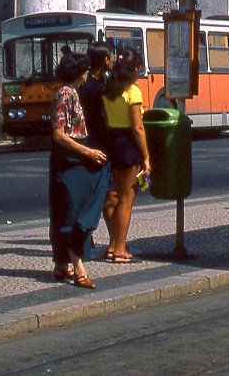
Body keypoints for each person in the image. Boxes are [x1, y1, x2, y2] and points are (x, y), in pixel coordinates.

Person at [48, 52, 109, 289]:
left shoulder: (72, 93)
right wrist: (88, 153)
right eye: (84, 70)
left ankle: (61, 264)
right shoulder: (65, 94)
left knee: (66, 211)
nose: (87, 75)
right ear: (78, 72)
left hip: (73, 158)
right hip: (69, 160)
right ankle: (79, 268)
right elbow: (59, 134)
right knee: (74, 213)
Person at [102, 47, 150, 263]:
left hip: (113, 141)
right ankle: (121, 249)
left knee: (116, 195)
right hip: (129, 144)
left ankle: (113, 245)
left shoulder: (109, 90)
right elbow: (138, 128)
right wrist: (147, 157)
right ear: (136, 68)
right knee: (126, 199)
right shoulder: (133, 91)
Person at [78, 42, 116, 239]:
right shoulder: (98, 88)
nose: (113, 60)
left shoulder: (87, 84)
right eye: (110, 57)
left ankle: (88, 238)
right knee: (106, 193)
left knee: (93, 193)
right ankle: (114, 241)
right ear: (103, 60)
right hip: (98, 143)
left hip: (89, 141)